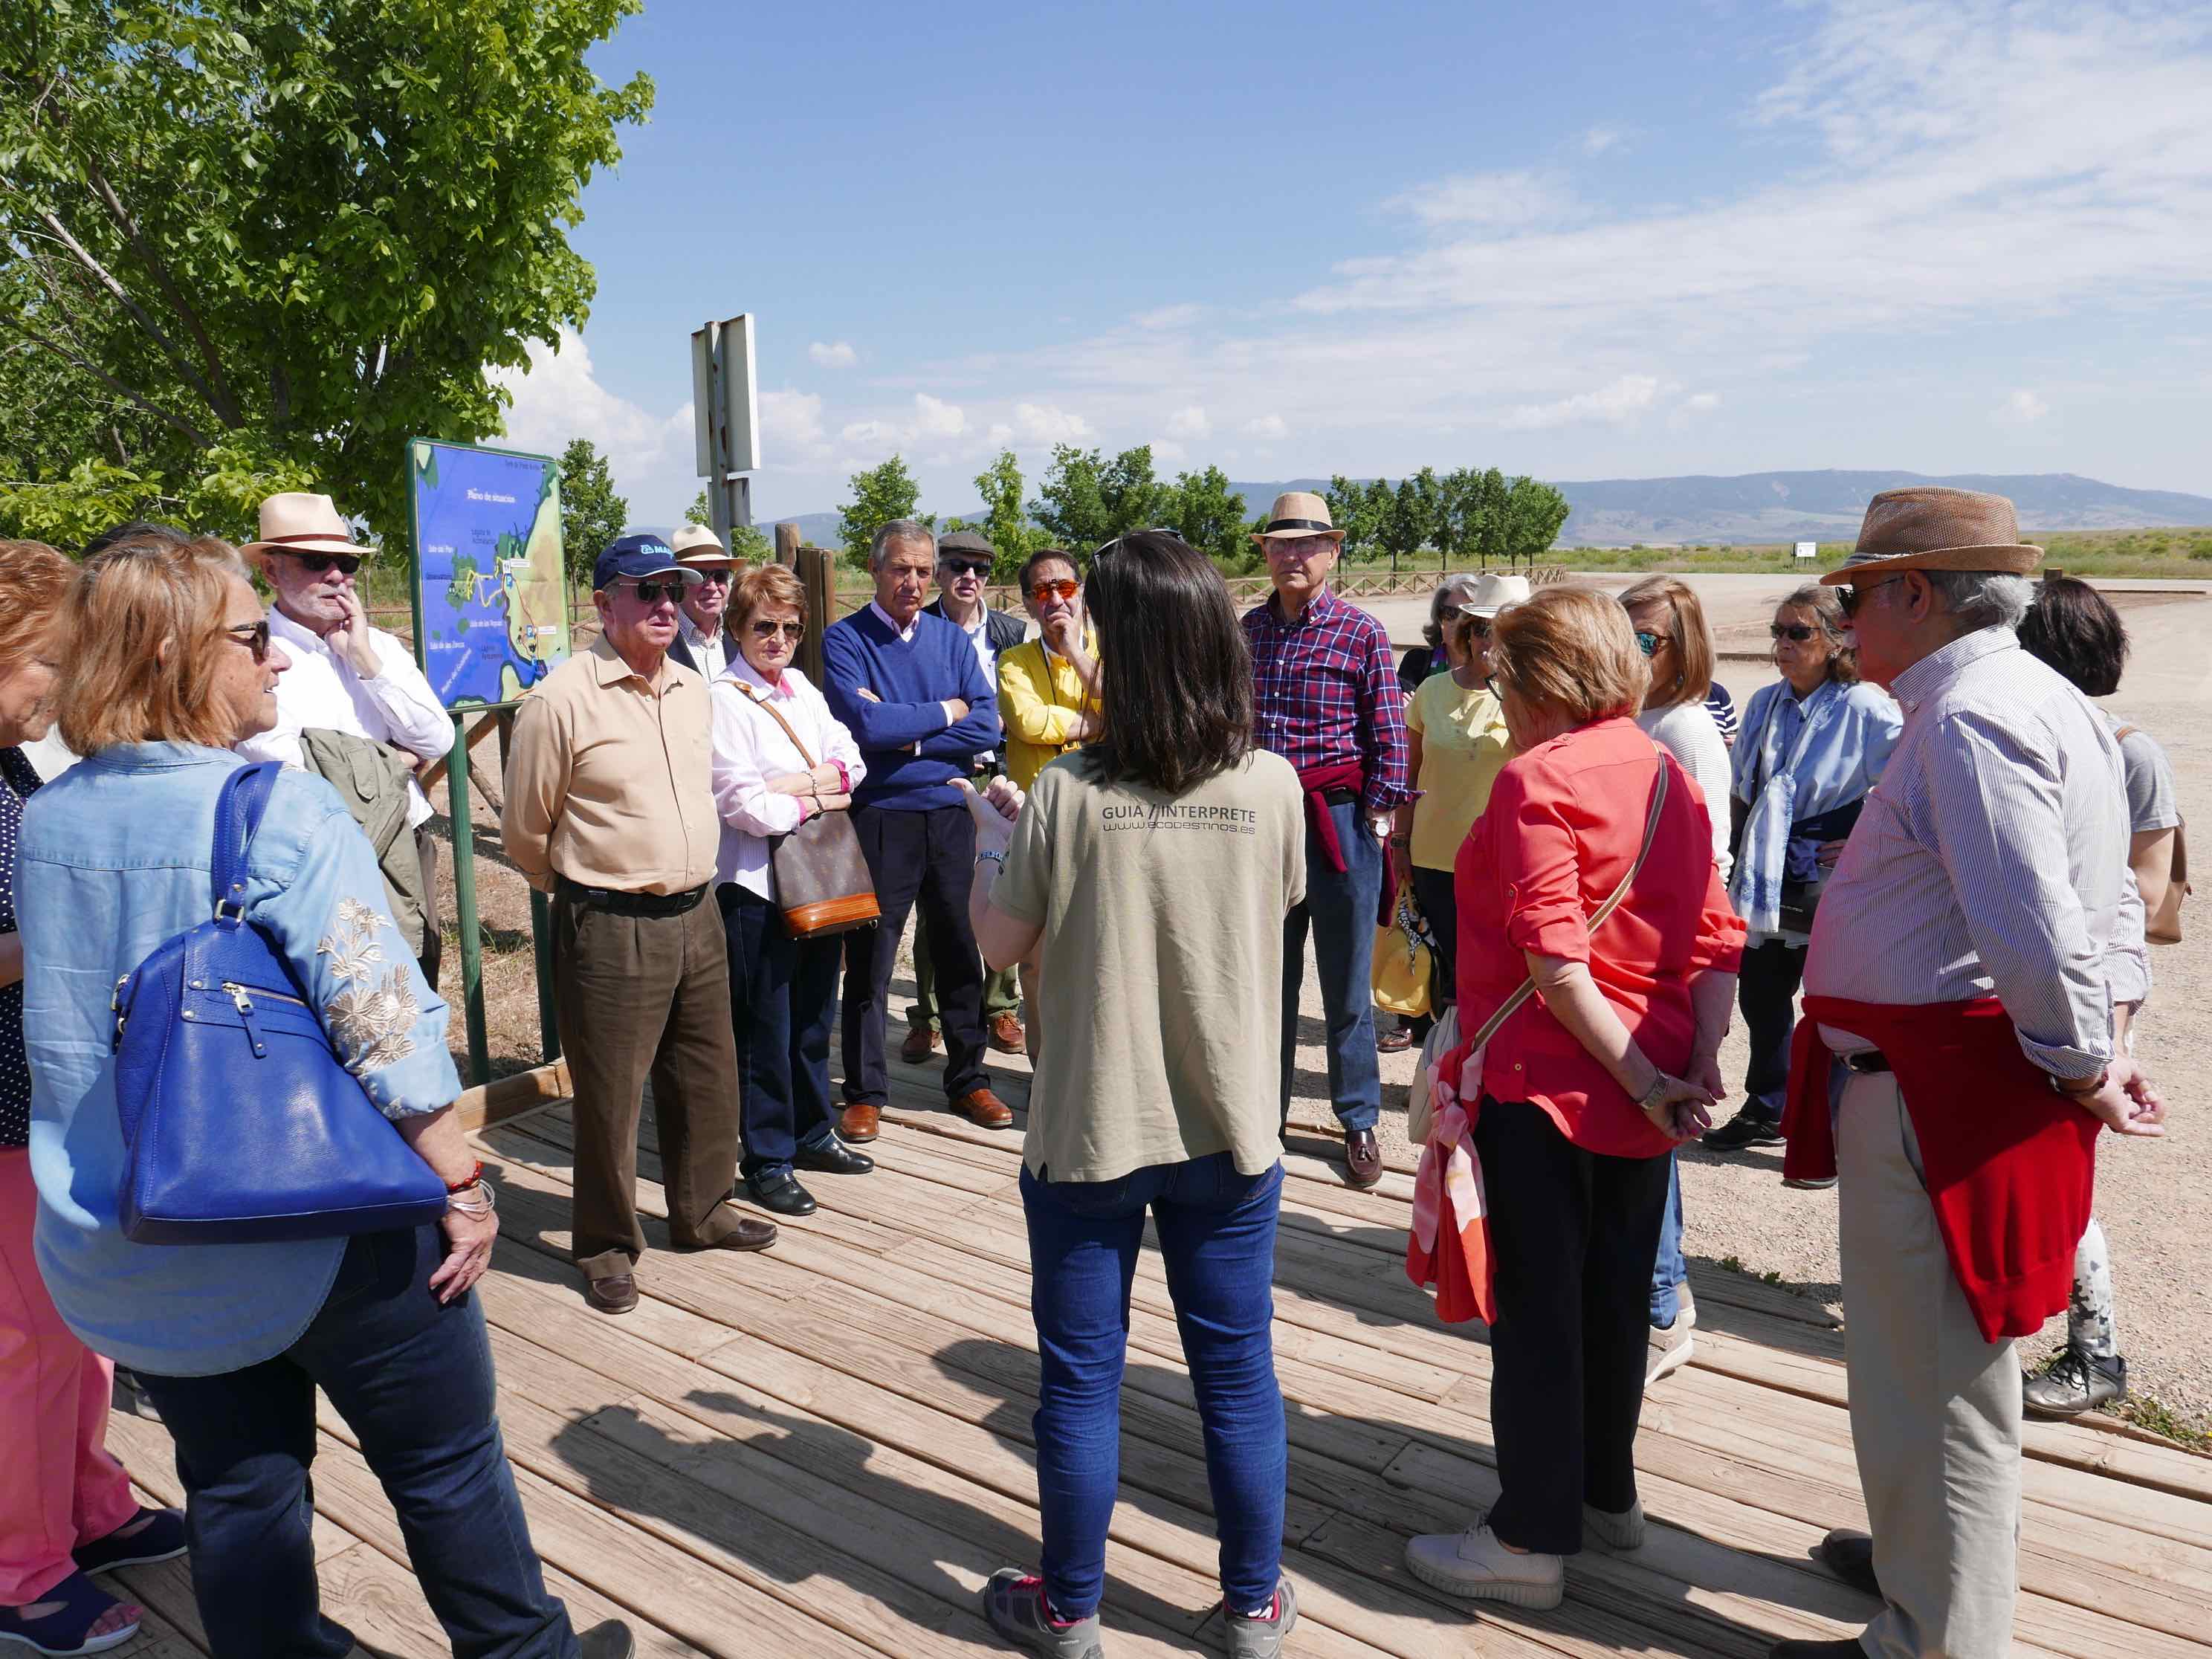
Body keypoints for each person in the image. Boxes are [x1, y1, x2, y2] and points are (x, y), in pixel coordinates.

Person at [19, 534, 629, 1659]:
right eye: (254, 635)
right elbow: (384, 1024)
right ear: (175, 653)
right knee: (446, 1469)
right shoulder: (277, 810)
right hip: (321, 1229)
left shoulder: (50, 820)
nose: (279, 659)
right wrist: (463, 1183)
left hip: (142, 1231)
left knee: (236, 1489)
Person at [1771, 488, 2161, 1659]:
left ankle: (1935, 1636)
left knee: (1933, 1383)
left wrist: (2085, 1059)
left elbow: (2034, 925)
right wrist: (2107, 1041)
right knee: (1932, 1375)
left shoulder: (1969, 716)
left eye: (1855, 595)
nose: (1842, 618)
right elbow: (2113, 901)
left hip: (1942, 1096)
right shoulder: (2035, 698)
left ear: (1915, 592)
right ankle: (1924, 1573)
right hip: (1954, 1084)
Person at [966, 531, 1304, 1659]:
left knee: (1080, 1384)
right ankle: (1253, 1608)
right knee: (1238, 1375)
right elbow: (1272, 902)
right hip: (1230, 1127)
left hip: (1089, 1128)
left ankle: (1070, 1610)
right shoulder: (1272, 785)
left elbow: (995, 942)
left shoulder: (1063, 794)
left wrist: (990, 845)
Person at [1405, 584, 1743, 1610]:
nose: (1498, 699)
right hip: (1647, 1092)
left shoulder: (1537, 777)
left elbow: (1556, 964)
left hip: (1547, 1087)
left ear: (1541, 681)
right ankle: (1606, 1496)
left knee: (1539, 1317)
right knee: (1613, 1303)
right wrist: (1690, 1069)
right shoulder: (1663, 768)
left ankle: (1527, 1538)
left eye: (1505, 679)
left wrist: (1646, 1079)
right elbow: (1716, 937)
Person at [502, 533, 775, 1318]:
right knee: (611, 1097)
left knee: (708, 1075)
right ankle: (606, 1245)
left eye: (673, 589)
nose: (666, 604)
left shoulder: (691, 688)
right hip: (612, 920)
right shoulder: (561, 699)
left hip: (698, 910)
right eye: (646, 589)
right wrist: (588, 887)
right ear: (603, 603)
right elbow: (526, 831)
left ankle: (703, 1211)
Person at [0, 540, 186, 1656]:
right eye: (46, 665)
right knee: (23, 1341)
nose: (61, 690)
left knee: (76, 1323)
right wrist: (74, 931)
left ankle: (85, 1506)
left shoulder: (14, 769)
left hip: (44, 1101)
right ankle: (19, 1573)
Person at [2014, 576, 2179, 1417]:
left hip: (2094, 985)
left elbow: (2145, 888)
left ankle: (2095, 1349)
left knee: (2066, 1173)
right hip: (2043, 979)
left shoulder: (2128, 751)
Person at [1243, 491, 1411, 1189]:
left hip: (1338, 821)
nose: (1292, 555)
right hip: (1262, 826)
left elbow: (1391, 740)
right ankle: (1264, 1115)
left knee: (1346, 987)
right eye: (1279, 544)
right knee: (1266, 983)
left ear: (1332, 552)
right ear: (1266, 554)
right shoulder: (1248, 631)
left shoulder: (1360, 631)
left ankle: (1358, 1118)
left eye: (1306, 544)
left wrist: (1372, 819)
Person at [824, 520, 1011, 1142]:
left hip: (952, 810)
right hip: (880, 815)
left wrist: (912, 734)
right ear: (875, 569)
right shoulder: (845, 639)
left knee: (960, 948)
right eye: (901, 568)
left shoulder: (950, 640)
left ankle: (969, 1078)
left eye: (923, 571)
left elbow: (987, 725)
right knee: (872, 959)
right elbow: (865, 728)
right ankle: (865, 1092)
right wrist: (945, 713)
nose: (913, 581)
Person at [1703, 586, 1901, 1156]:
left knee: (1829, 1002)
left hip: (1828, 875)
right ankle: (1767, 1106)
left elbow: (1906, 785)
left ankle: (1828, 1123)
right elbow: (1742, 786)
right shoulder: (1765, 703)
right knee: (1762, 996)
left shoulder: (1866, 707)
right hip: (1763, 871)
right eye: (1778, 632)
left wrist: (1864, 840)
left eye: (1798, 632)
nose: (1783, 644)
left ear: (1835, 640)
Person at [708, 563, 877, 1218]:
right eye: (764, 627)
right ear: (736, 628)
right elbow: (744, 805)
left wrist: (794, 787)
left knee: (812, 1015)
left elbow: (852, 764)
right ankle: (768, 1157)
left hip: (816, 878)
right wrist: (818, 792)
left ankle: (811, 1131)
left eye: (790, 628)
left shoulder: (802, 687)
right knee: (764, 1025)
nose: (778, 640)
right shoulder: (724, 700)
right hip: (754, 886)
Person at [236, 492, 453, 984]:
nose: (337, 575)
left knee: (416, 983)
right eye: (316, 561)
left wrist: (363, 659)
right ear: (271, 572)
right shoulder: (254, 653)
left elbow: (438, 739)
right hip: (315, 859)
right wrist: (395, 761)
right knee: (338, 993)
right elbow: (293, 775)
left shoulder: (378, 647)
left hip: (405, 841)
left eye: (348, 562)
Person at [1615, 575, 1733, 1383]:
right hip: (1632, 950)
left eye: (1645, 639)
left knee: (1656, 1125)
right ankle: (1658, 1291)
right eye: (1620, 633)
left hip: (1667, 957)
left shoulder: (1687, 729)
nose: (1630, 651)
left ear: (1682, 648)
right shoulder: (1633, 719)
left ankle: (1664, 1304)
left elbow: (1709, 862)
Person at [905, 530, 1030, 1061]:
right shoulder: (918, 629)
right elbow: (913, 714)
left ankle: (1000, 1007)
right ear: (939, 571)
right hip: (944, 774)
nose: (970, 577)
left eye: (980, 568)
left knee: (1007, 889)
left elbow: (1015, 713)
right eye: (958, 565)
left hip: (1000, 773)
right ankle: (928, 1016)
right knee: (939, 899)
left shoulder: (1011, 633)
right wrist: (969, 724)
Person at [1392, 572, 1525, 1021]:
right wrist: (1400, 841)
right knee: (1448, 966)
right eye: (1484, 629)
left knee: (1494, 970)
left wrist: (1508, 686)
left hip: (1499, 858)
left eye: (1506, 632)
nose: (1491, 641)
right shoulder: (1431, 691)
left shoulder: (1532, 696)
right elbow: (1410, 774)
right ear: (1468, 633)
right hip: (1434, 854)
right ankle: (1448, 1053)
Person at [666, 523, 740, 680]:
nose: (712, 587)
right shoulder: (659, 642)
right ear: (677, 582)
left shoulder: (742, 637)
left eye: (720, 576)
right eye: (699, 576)